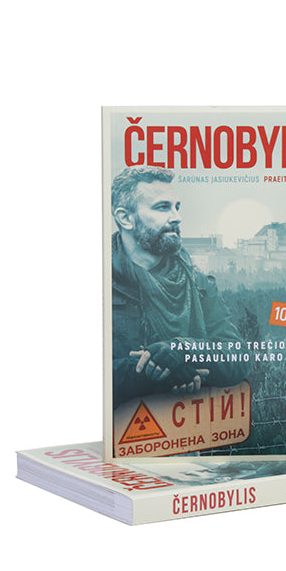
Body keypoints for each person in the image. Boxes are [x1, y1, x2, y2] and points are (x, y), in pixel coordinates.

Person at [111, 165, 250, 408]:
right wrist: (156, 372)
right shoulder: (102, 285)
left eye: (177, 207)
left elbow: (238, 356)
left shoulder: (199, 283)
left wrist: (183, 350)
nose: (177, 217)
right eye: (162, 207)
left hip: (191, 429)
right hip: (124, 428)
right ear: (125, 218)